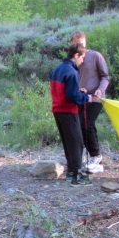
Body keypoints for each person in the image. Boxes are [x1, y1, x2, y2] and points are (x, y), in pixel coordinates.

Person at [50, 43, 94, 185]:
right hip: (68, 111)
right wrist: (87, 98)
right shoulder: (71, 71)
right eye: (82, 57)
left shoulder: (57, 69)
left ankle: (71, 172)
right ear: (76, 55)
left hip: (57, 110)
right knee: (77, 142)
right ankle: (76, 175)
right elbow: (72, 96)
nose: (82, 61)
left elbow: (64, 91)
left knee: (68, 142)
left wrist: (77, 91)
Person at [70, 31, 110, 174]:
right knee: (79, 127)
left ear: (85, 42)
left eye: (81, 42)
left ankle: (96, 155)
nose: (79, 45)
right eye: (76, 42)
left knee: (86, 124)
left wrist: (100, 90)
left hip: (95, 97)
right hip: (80, 97)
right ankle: (89, 158)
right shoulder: (73, 59)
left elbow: (105, 76)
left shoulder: (95, 56)